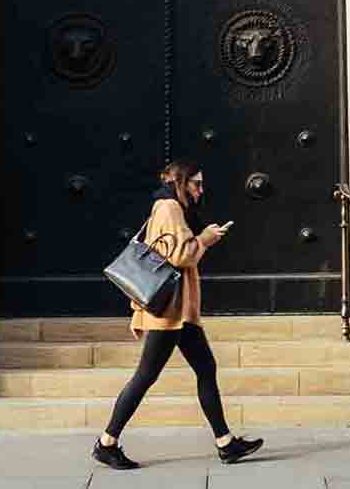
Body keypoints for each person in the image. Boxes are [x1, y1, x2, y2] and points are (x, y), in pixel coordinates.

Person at [92, 159, 264, 471]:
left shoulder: (169, 207)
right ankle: (107, 442)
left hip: (178, 311)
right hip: (168, 312)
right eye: (195, 184)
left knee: (205, 368)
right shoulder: (169, 208)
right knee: (145, 377)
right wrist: (206, 239)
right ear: (180, 183)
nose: (200, 190)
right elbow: (180, 254)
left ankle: (225, 443)